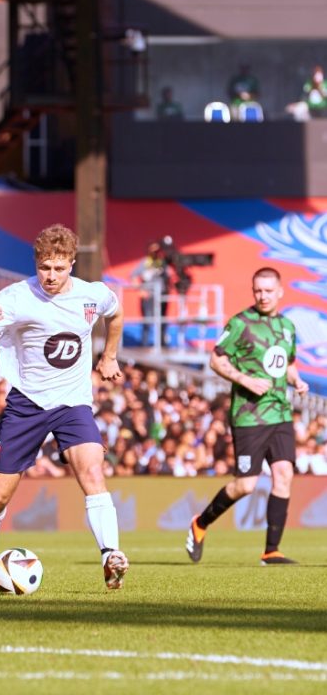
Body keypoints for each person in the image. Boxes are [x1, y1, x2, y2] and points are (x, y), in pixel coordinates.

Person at [0, 224, 129, 592]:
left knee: (92, 471)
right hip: (28, 403)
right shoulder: (16, 298)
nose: (50, 276)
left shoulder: (92, 295)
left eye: (59, 268)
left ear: (72, 263)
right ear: (36, 263)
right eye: (44, 268)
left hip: (73, 403)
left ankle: (111, 555)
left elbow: (115, 314)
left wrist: (109, 356)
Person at [186, 267, 309, 566]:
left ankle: (271, 551)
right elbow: (216, 360)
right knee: (246, 485)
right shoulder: (241, 323)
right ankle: (200, 523)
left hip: (280, 412)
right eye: (258, 291)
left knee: (284, 474)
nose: (263, 296)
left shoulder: (287, 326)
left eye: (268, 291)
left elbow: (287, 363)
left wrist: (297, 380)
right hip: (249, 416)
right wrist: (246, 380)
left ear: (280, 292)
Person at [130, 241, 165, 347]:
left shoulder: (162, 262)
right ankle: (144, 344)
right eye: (153, 250)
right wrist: (140, 290)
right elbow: (133, 275)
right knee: (147, 321)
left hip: (161, 296)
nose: (155, 252)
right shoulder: (145, 262)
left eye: (157, 250)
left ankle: (162, 344)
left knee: (162, 321)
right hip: (148, 297)